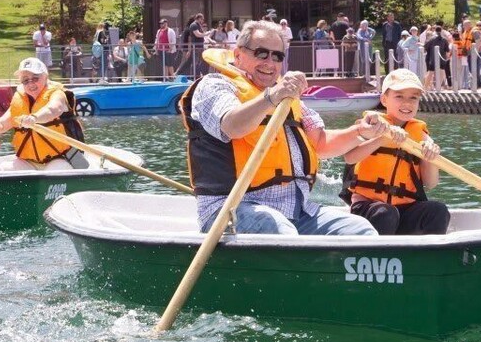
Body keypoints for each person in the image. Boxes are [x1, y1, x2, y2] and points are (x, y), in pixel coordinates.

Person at [181, 20, 385, 236]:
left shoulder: (286, 97)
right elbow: (232, 126)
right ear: (238, 55)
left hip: (297, 211)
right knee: (280, 231)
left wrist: (361, 131)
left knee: (360, 230)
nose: (270, 62)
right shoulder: (216, 85)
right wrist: (272, 97)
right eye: (261, 53)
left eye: (277, 56)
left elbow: (321, 143)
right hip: (232, 208)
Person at [341, 68, 449, 236]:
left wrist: (430, 157)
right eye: (399, 96)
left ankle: (428, 257)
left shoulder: (421, 135)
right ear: (384, 99)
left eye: (413, 98)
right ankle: (378, 258)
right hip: (369, 209)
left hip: (405, 210)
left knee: (438, 211)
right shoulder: (371, 125)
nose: (407, 103)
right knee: (386, 213)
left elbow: (431, 183)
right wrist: (382, 139)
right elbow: (349, 157)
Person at [0, 57, 88, 171]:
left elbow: (53, 109)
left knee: (54, 172)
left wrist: (34, 118)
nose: (31, 83)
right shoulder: (20, 100)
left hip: (61, 157)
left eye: (35, 78)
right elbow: (2, 124)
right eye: (25, 80)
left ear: (45, 76)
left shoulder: (57, 93)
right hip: (29, 161)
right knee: (0, 169)